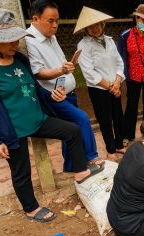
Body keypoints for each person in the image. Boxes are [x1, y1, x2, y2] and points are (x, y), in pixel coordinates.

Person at [0, 8, 103, 222]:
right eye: (11, 40)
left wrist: (52, 97)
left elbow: (34, 87)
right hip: (13, 130)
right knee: (21, 171)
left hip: (37, 119)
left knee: (73, 130)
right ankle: (30, 208)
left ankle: (79, 171)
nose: (16, 44)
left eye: (17, 39)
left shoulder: (19, 59)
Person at [25, 0, 104, 171]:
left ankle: (70, 166)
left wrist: (66, 67)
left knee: (69, 131)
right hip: (54, 96)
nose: (55, 25)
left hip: (69, 92)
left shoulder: (51, 37)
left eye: (57, 21)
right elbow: (37, 72)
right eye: (50, 21)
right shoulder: (29, 40)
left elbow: (58, 63)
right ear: (36, 19)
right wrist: (61, 70)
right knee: (82, 119)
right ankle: (91, 157)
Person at [75, 7, 126, 162]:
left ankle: (118, 144)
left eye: (97, 24)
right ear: (85, 29)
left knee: (118, 116)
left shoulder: (110, 41)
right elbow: (89, 73)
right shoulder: (83, 45)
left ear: (103, 24)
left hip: (114, 87)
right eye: (90, 26)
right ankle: (110, 150)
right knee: (105, 120)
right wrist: (110, 87)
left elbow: (119, 62)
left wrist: (117, 82)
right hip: (99, 90)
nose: (95, 28)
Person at [118, 4, 144, 142]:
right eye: (142, 20)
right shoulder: (125, 35)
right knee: (131, 105)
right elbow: (121, 57)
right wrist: (124, 76)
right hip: (133, 76)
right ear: (136, 18)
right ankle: (127, 135)